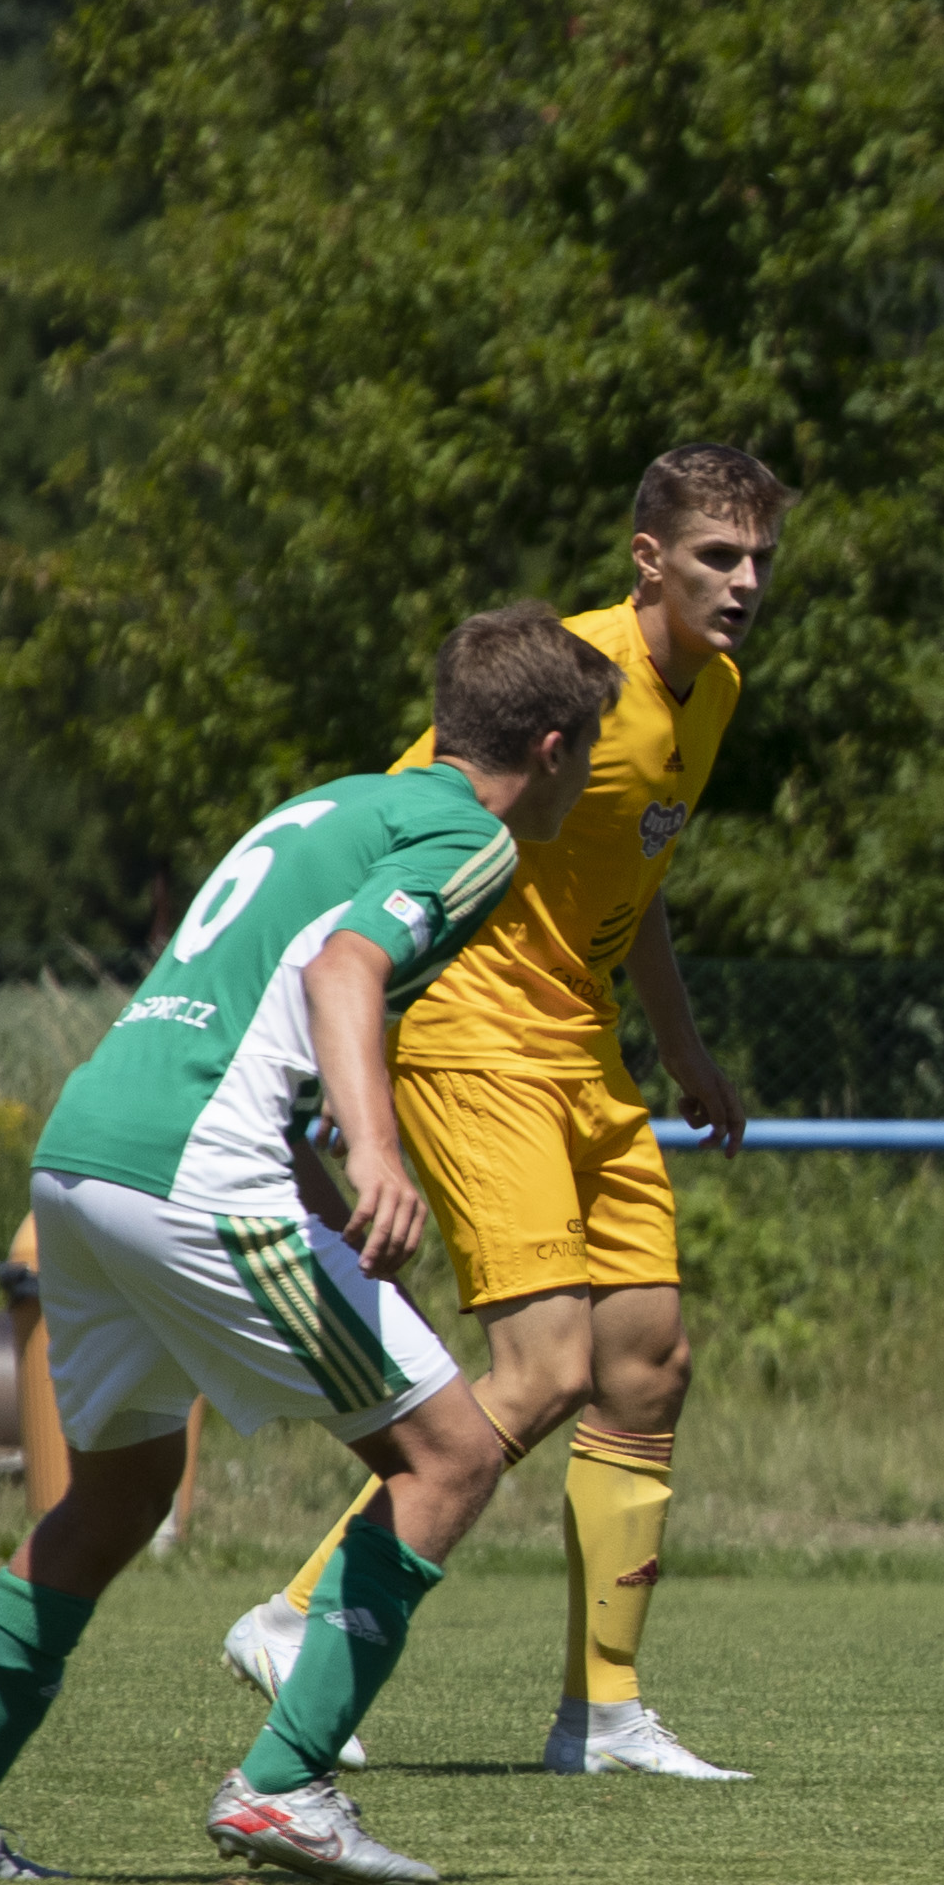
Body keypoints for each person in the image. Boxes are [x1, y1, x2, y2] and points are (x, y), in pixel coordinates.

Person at [0, 606, 621, 1885]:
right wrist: (378, 1157)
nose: (590, 776)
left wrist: (327, 1192)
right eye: (589, 754)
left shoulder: (328, 809)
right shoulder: (475, 840)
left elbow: (245, 1022)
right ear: (550, 748)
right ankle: (284, 1784)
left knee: (113, 1499)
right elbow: (341, 976)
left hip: (83, 1156)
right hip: (195, 1174)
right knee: (445, 1455)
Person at [225, 443, 781, 1781]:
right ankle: (295, 1613)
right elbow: (404, 809)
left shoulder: (715, 694)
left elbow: (633, 884)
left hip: (586, 1051)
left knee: (648, 1359)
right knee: (546, 1373)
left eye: (760, 557)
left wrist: (684, 1046)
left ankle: (600, 1713)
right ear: (649, 558)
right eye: (719, 555)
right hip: (472, 1036)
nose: (747, 581)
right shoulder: (568, 679)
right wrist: (317, 1039)